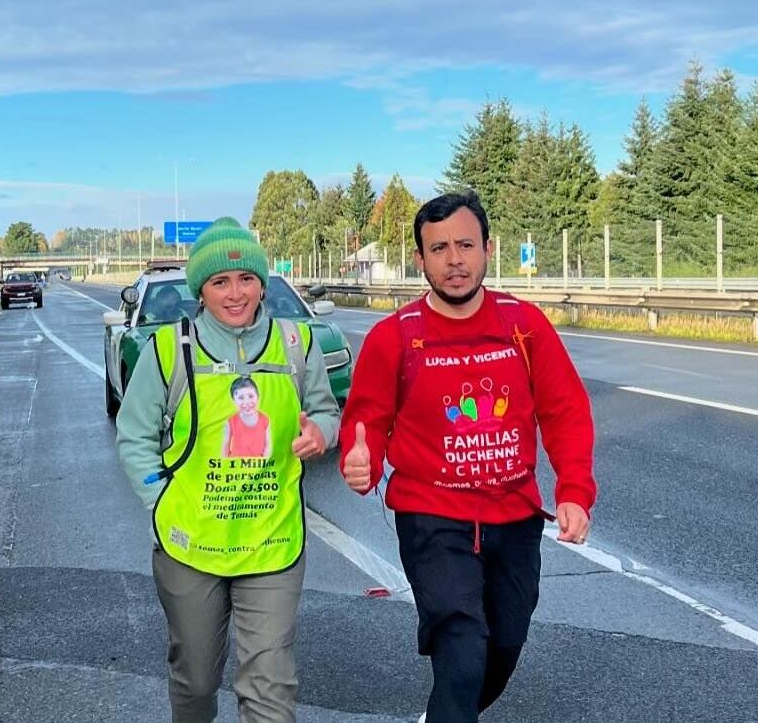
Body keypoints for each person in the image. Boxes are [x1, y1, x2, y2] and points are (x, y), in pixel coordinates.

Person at [339, 192, 595, 723]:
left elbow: (565, 410)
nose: (454, 260)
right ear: (420, 260)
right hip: (432, 520)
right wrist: (358, 463)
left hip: (514, 516)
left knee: (502, 648)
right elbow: (365, 425)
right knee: (460, 652)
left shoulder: (523, 325)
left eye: (464, 245)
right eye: (438, 249)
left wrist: (574, 491)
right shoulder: (396, 337)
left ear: (487, 249)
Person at [116, 217, 341, 723]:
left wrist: (321, 433)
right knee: (195, 681)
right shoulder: (171, 349)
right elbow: (134, 436)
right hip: (190, 547)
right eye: (220, 282)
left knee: (271, 687)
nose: (235, 293)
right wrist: (160, 500)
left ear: (263, 282)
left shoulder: (297, 344)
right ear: (202, 289)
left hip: (272, 543)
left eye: (246, 279)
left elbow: (326, 410)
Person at [224, 377, 273, 459]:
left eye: (251, 396)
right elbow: (225, 448)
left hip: (259, 468)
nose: (247, 402)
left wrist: (264, 463)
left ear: (258, 396)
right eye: (241, 398)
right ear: (234, 400)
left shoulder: (265, 420)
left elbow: (268, 445)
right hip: (236, 467)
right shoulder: (231, 421)